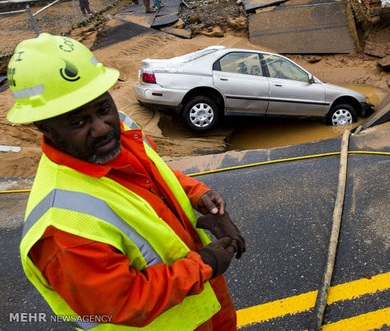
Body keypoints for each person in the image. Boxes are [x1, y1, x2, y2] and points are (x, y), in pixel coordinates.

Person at [7, 33, 246, 329]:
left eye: (103, 109)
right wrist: (202, 265)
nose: (101, 128)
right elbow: (121, 303)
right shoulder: (62, 229)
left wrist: (197, 193)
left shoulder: (120, 129)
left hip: (205, 307)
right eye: (78, 121)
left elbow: (153, 172)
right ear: (43, 127)